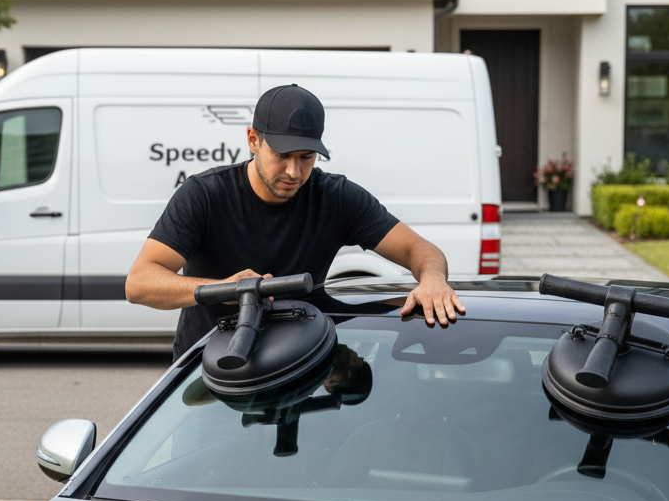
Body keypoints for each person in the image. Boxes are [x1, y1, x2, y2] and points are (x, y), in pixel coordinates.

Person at [125, 83, 466, 360]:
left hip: (299, 375)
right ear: (253, 140)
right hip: (210, 376)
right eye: (282, 156)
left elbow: (417, 248)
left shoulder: (336, 197)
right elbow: (139, 283)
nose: (294, 171)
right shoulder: (205, 194)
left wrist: (433, 279)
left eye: (306, 157)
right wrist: (225, 289)